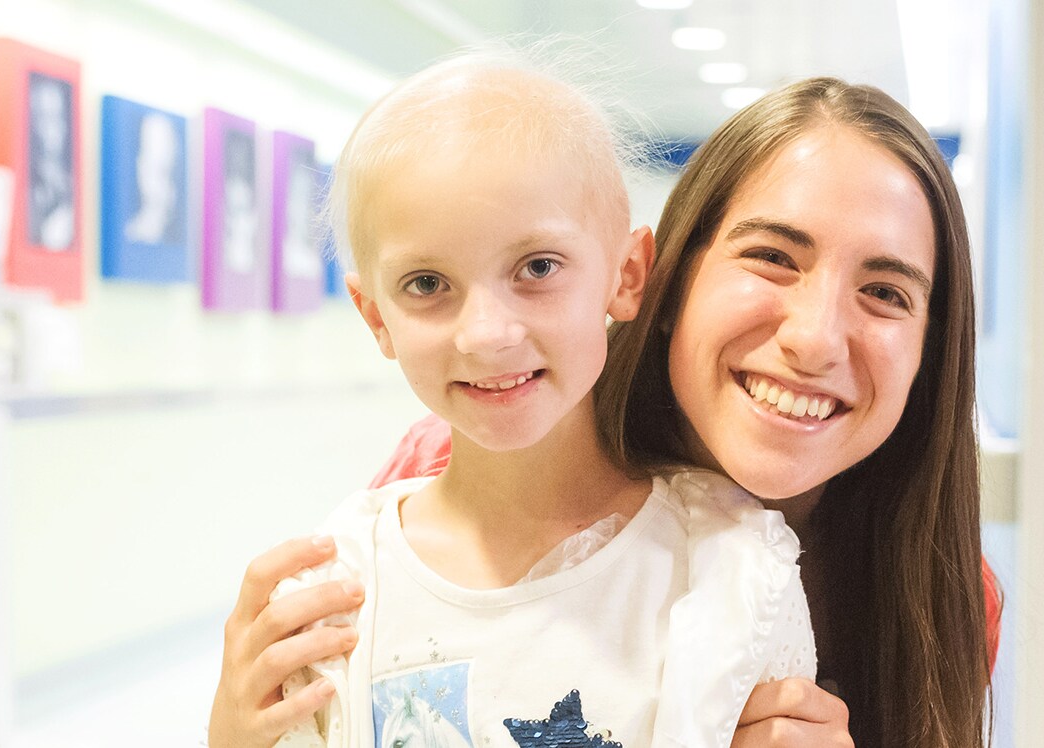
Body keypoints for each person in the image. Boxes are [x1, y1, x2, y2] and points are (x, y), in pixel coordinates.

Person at [363, 78, 1003, 747]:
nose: (813, 339)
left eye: (883, 292)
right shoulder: (452, 476)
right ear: (664, 282)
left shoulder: (940, 600)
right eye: (773, 258)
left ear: (931, 350)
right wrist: (242, 723)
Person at [209, 47, 817, 748]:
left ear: (625, 275)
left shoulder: (729, 570)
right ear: (376, 317)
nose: (487, 335)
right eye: (427, 284)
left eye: (537, 267)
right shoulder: (331, 597)